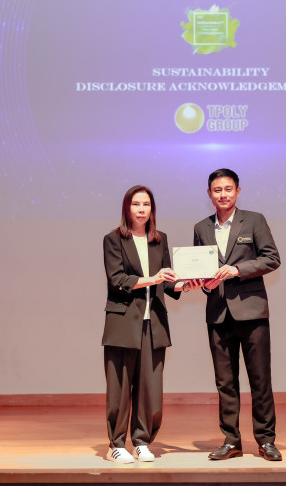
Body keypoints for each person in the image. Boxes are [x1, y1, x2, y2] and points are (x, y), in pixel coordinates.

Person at [192, 168, 283, 461]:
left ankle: (266, 441)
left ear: (238, 191)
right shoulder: (201, 228)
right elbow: (201, 270)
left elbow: (272, 258)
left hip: (252, 312)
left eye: (228, 189)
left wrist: (237, 270)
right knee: (225, 383)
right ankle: (232, 441)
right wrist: (203, 283)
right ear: (209, 194)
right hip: (218, 314)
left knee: (260, 379)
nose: (223, 194)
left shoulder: (254, 220)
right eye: (217, 190)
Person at [102, 185, 194, 463]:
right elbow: (118, 280)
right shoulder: (113, 239)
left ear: (152, 209)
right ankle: (116, 444)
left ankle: (141, 441)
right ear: (126, 208)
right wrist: (154, 278)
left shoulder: (159, 239)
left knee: (150, 389)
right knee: (119, 387)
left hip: (153, 324)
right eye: (136, 204)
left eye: (146, 204)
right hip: (123, 323)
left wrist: (185, 285)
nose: (141, 209)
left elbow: (167, 282)